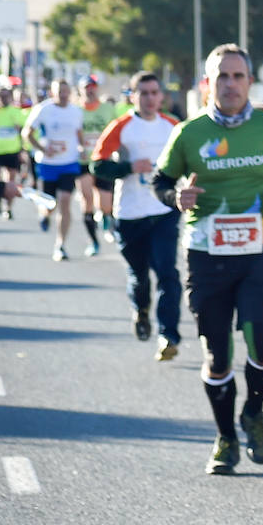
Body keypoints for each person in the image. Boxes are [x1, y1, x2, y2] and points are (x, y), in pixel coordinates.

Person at [152, 43, 263, 475]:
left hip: (259, 252)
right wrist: (173, 195)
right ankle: (224, 438)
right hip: (206, 255)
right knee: (217, 355)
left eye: (238, 76)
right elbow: (160, 180)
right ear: (208, 83)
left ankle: (253, 412)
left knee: (262, 346)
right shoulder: (189, 133)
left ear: (250, 82)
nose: (231, 84)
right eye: (222, 76)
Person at [88, 71, 183, 360]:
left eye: (155, 93)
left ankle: (169, 335)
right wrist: (129, 168)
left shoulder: (173, 126)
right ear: (133, 96)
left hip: (163, 210)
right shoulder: (122, 126)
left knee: (168, 274)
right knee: (140, 277)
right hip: (130, 214)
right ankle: (141, 310)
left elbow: (191, 161)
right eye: (144, 93)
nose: (150, 98)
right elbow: (97, 166)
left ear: (162, 96)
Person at [23, 78, 84, 261]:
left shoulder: (76, 111)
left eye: (66, 91)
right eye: (60, 92)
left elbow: (79, 134)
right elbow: (26, 133)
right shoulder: (43, 109)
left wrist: (81, 149)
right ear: (52, 92)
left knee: (65, 201)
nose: (63, 95)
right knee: (50, 205)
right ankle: (43, 214)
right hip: (48, 164)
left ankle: (60, 245)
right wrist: (42, 149)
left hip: (69, 163)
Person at [78, 75, 118, 252]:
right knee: (86, 200)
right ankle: (93, 241)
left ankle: (106, 216)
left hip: (103, 160)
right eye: (86, 87)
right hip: (83, 161)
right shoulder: (75, 111)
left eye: (92, 86)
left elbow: (117, 131)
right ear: (80, 90)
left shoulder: (108, 109)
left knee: (105, 203)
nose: (90, 90)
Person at [0, 86, 28, 218]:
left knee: (11, 181)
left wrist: (23, 148)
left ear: (10, 97)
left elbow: (26, 128)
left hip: (13, 150)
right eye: (1, 96)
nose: (3, 98)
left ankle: (8, 208)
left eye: (6, 96)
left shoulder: (16, 111)